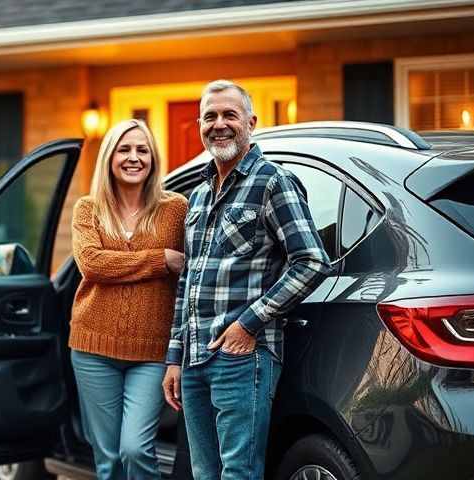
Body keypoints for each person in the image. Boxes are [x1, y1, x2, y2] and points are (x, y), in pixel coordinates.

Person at [162, 80, 333, 480]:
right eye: (210, 116)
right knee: (205, 472)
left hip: (242, 358)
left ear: (250, 123)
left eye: (229, 115)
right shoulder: (200, 195)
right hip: (194, 359)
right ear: (200, 125)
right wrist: (174, 356)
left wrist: (249, 323)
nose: (219, 124)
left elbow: (311, 261)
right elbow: (189, 279)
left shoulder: (273, 181)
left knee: (238, 472)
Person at [70, 119, 188, 479]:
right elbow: (92, 264)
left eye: (142, 150)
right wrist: (161, 259)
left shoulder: (175, 209)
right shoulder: (88, 209)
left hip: (152, 352)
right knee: (107, 459)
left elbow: (189, 277)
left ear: (153, 158)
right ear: (109, 156)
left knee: (135, 449)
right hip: (92, 349)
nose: (133, 158)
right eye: (124, 149)